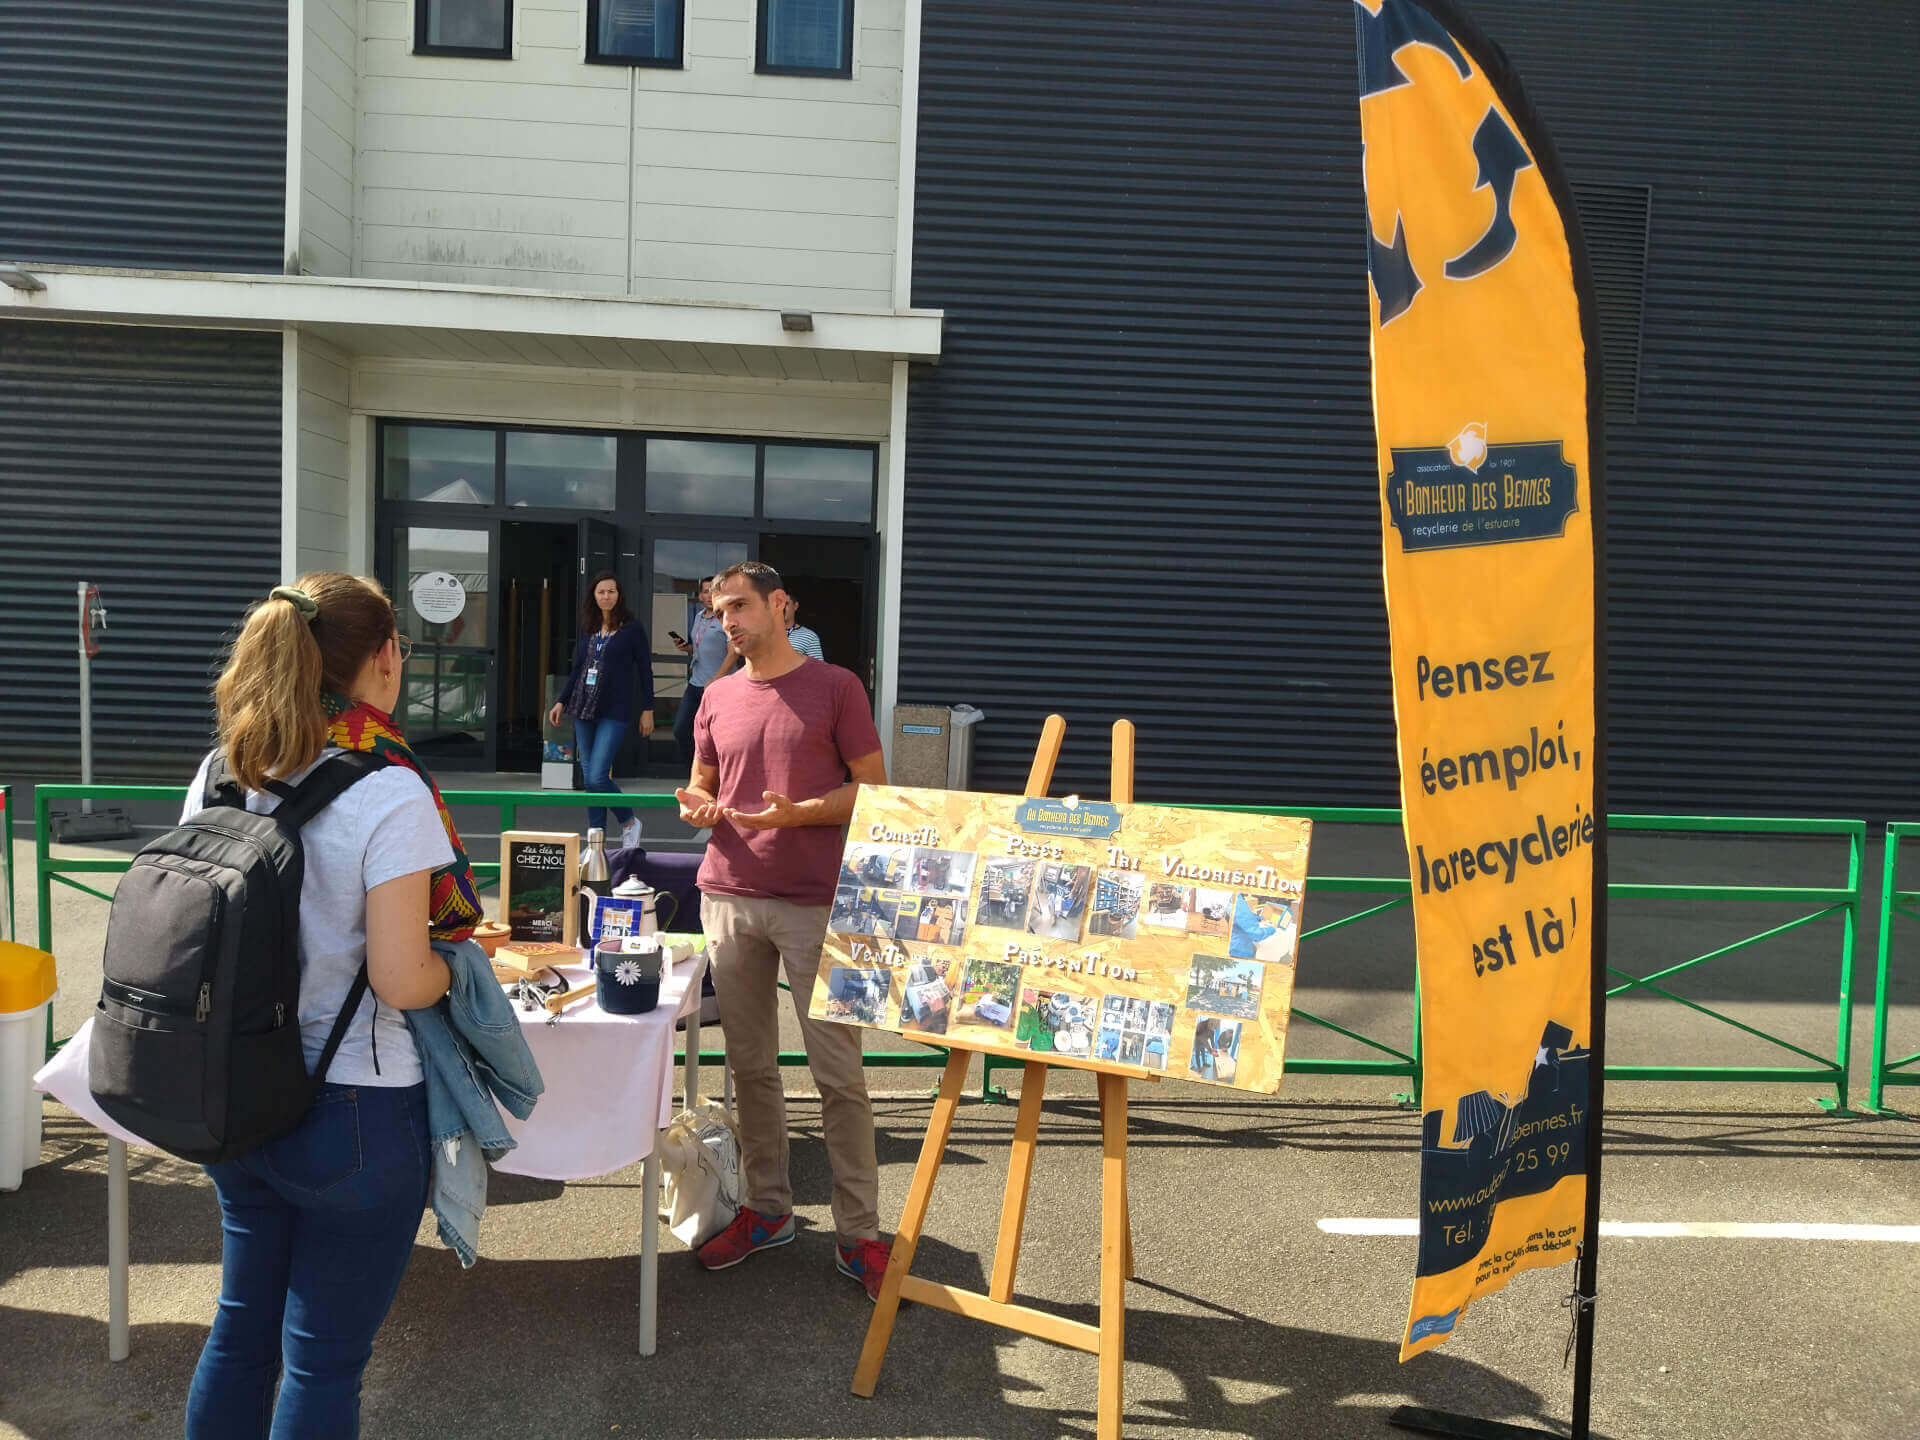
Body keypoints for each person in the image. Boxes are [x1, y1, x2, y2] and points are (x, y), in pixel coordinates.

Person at [183, 574, 457, 1439]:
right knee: (323, 1362)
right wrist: (456, 974)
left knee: (239, 1332)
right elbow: (402, 979)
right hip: (357, 1107)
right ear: (382, 658)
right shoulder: (390, 790)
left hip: (234, 1093)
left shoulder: (225, 768)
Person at [674, 560, 892, 1298]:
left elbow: (872, 789)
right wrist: (695, 804)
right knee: (751, 1070)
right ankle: (769, 1211)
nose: (727, 622)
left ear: (780, 605)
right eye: (717, 611)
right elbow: (702, 782)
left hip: (817, 900)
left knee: (839, 1076)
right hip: (729, 894)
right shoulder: (715, 694)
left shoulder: (836, 687)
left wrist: (800, 814)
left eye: (738, 606)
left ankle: (860, 1231)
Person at [549, 571, 654, 847]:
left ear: (619, 595)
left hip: (615, 709)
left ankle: (629, 820)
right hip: (583, 707)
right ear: (593, 596)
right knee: (589, 779)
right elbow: (578, 669)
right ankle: (596, 840)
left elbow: (645, 670)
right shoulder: (588, 627)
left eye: (611, 591)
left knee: (597, 775)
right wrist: (561, 700)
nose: (606, 596)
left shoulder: (632, 628)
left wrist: (648, 708)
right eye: (601, 592)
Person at [671, 576, 738, 768]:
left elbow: (734, 653)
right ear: (699, 595)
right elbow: (703, 647)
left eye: (713, 591)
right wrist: (688, 648)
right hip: (696, 684)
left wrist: (716, 680)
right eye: (705, 591)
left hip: (720, 687)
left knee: (717, 736)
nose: (709, 595)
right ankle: (695, 773)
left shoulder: (726, 618)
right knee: (681, 730)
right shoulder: (699, 617)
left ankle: (718, 778)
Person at [781, 594, 825, 661]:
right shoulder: (765, 634)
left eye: (786, 603)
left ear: (795, 606)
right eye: (779, 604)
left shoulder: (809, 636)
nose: (782, 607)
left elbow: (818, 669)